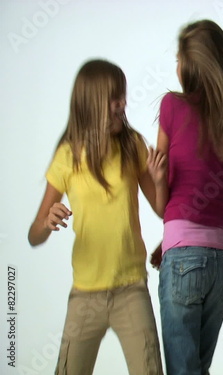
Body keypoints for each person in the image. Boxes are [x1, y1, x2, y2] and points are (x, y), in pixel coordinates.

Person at [27, 59, 166, 375]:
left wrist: (158, 179)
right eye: (115, 97)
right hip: (85, 297)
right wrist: (47, 221)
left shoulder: (132, 145)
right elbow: (34, 235)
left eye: (123, 95)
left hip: (131, 289)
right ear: (93, 103)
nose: (123, 104)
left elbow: (161, 209)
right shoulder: (68, 155)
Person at [151, 19, 223, 375]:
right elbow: (222, 209)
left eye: (179, 58)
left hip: (183, 259)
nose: (177, 66)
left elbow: (163, 203)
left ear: (191, 64)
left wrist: (172, 236)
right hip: (220, 261)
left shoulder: (171, 106)